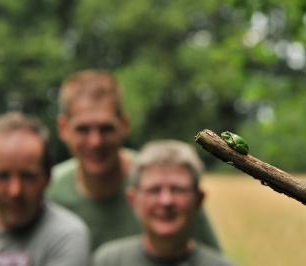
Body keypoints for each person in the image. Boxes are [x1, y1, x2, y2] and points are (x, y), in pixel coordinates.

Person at [45, 69, 220, 251]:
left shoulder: (161, 183)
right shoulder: (48, 191)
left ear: (124, 125)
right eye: (83, 129)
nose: (95, 142)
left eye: (106, 129)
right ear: (63, 128)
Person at [0, 112, 91, 266]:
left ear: (47, 175)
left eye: (27, 176)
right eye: (3, 176)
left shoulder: (66, 237)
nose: (15, 191)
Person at [93, 140, 236, 266]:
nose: (166, 201)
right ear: (133, 200)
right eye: (154, 190)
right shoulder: (107, 261)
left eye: (177, 189)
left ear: (198, 200)